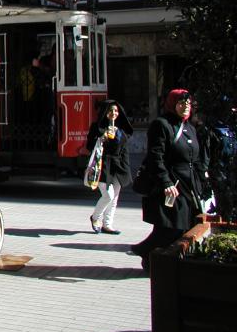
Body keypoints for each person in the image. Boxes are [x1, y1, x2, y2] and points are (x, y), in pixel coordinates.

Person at [131, 89, 208, 271]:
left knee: (184, 227)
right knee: (171, 228)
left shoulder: (190, 127)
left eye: (188, 104)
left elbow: (194, 158)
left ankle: (159, 262)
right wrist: (165, 182)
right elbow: (155, 156)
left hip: (188, 186)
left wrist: (202, 179)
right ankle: (145, 251)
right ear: (172, 104)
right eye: (181, 103)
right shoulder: (162, 125)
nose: (185, 107)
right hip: (170, 184)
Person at [86, 99, 133, 234]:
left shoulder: (122, 130)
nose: (114, 113)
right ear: (105, 112)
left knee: (114, 198)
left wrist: (126, 168)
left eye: (116, 110)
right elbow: (89, 146)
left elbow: (125, 150)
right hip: (103, 165)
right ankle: (95, 217)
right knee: (108, 195)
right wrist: (101, 138)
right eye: (111, 110)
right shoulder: (97, 127)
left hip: (118, 166)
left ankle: (107, 224)